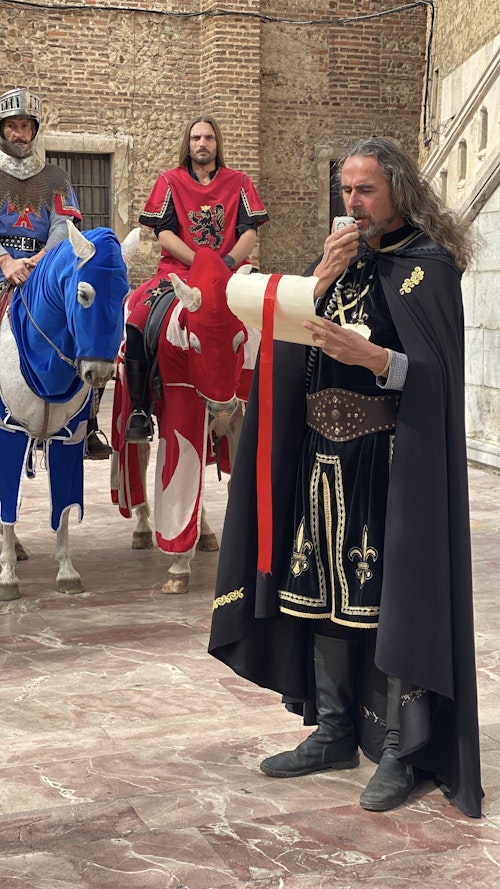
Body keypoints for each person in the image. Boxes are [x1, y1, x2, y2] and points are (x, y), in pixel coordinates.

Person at [208, 136, 483, 819]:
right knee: (321, 598)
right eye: (346, 190)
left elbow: (438, 379)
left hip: (388, 463)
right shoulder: (339, 262)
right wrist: (318, 282)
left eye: (364, 189)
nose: (352, 202)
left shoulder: (428, 266)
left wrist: (372, 357)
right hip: (320, 460)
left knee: (390, 603)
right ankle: (332, 732)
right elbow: (287, 342)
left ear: (397, 189)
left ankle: (401, 749)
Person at [123, 113, 269, 442]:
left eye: (208, 138)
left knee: (273, 314)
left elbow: (250, 232)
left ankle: (269, 399)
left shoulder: (240, 182)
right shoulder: (170, 181)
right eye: (196, 138)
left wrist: (224, 263)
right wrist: (203, 263)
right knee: (139, 317)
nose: (202, 143)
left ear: (217, 144)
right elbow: (164, 234)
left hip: (232, 272)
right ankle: (139, 410)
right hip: (180, 272)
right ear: (187, 146)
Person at [0, 87, 110, 459]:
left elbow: (65, 224)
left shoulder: (55, 178)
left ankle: (89, 421)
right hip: (1, 271)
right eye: (12, 126)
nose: (20, 133)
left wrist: (41, 260)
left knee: (86, 326)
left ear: (34, 130)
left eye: (25, 126)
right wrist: (7, 262)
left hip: (45, 273)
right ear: (2, 130)